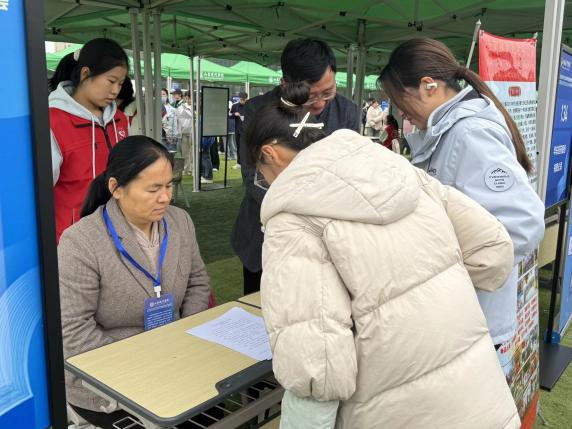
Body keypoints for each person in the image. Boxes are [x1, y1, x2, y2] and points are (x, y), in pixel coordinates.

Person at [246, 82, 520, 429]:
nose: (266, 183)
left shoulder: (290, 217)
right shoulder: (398, 167)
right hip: (481, 398)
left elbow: (316, 365)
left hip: (394, 409)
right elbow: (492, 250)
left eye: (261, 176)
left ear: (269, 154)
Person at [379, 37, 545, 348]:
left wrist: (447, 265)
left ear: (428, 86)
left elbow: (523, 225)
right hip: (459, 311)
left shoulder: (469, 133)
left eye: (401, 101)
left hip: (471, 315)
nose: (401, 113)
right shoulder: (449, 131)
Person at [59, 136, 210, 429]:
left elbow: (198, 281)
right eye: (153, 189)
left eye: (169, 186)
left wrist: (186, 337)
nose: (165, 198)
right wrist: (148, 360)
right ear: (116, 188)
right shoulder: (81, 241)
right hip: (107, 382)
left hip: (177, 361)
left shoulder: (180, 222)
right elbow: (73, 331)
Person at [231, 38, 359, 295]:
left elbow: (349, 176)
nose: (320, 104)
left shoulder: (346, 111)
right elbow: (252, 176)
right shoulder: (258, 110)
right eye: (310, 96)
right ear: (285, 83)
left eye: (328, 92)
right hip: (264, 232)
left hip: (325, 238)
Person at [49, 38, 130, 243]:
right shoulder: (53, 121)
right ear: (85, 74)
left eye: (120, 83)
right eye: (111, 81)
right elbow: (38, 191)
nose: (116, 90)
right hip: (71, 239)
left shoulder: (120, 119)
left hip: (116, 235)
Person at [230, 91, 248, 170]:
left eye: (244, 100)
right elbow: (229, 115)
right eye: (241, 99)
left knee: (245, 147)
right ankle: (239, 163)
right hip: (237, 129)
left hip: (247, 130)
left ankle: (246, 163)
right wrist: (234, 114)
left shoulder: (250, 106)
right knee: (238, 146)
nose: (242, 101)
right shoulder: (235, 106)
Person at [177, 91, 194, 175]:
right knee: (185, 152)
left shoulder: (196, 106)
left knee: (193, 152)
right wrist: (179, 132)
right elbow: (178, 120)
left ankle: (193, 169)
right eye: (186, 98)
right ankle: (186, 168)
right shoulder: (181, 107)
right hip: (184, 132)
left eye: (189, 98)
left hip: (193, 132)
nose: (188, 100)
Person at [161, 88, 178, 153]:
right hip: (159, 137)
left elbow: (175, 124)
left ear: (167, 95)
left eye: (163, 94)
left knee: (170, 156)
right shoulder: (154, 109)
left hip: (170, 138)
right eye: (160, 94)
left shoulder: (172, 109)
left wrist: (174, 138)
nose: (162, 96)